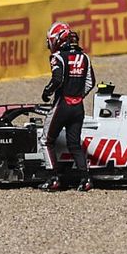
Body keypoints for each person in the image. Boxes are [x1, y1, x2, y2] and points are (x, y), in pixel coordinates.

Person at [40, 21, 96, 192]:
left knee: (46, 140)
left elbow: (57, 79)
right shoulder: (84, 57)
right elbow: (90, 82)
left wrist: (47, 92)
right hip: (78, 106)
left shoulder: (57, 57)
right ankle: (86, 179)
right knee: (74, 144)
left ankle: (53, 178)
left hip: (62, 104)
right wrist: (78, 95)